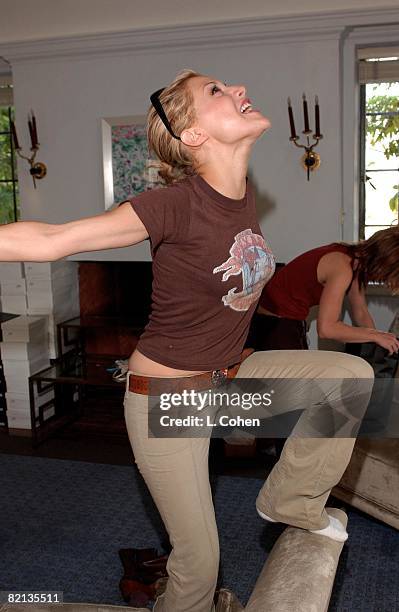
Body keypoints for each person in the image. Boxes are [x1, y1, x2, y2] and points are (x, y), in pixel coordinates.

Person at [0, 69, 374, 612]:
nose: (240, 89)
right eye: (217, 92)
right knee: (199, 567)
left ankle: (290, 502)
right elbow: (58, 240)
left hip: (225, 381)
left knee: (351, 380)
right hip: (167, 398)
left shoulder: (242, 197)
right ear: (193, 135)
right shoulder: (174, 204)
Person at [247, 231, 399, 353]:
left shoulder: (354, 262)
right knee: (295, 386)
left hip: (282, 318)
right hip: (274, 322)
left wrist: (380, 341)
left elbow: (361, 312)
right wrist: (375, 336)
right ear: (383, 263)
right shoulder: (342, 267)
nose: (384, 281)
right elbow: (327, 329)